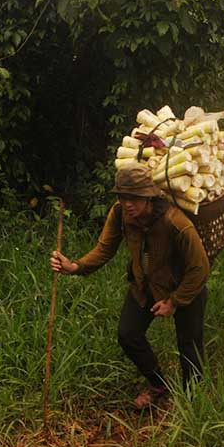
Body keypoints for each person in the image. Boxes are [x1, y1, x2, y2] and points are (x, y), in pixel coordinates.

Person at [50, 163, 211, 409]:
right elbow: (104, 249)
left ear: (149, 197)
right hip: (144, 285)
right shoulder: (119, 214)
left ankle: (193, 403)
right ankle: (158, 384)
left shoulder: (175, 222)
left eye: (134, 198)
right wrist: (75, 266)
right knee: (128, 334)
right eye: (123, 197)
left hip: (185, 287)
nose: (127, 204)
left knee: (188, 344)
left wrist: (174, 301)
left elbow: (200, 268)